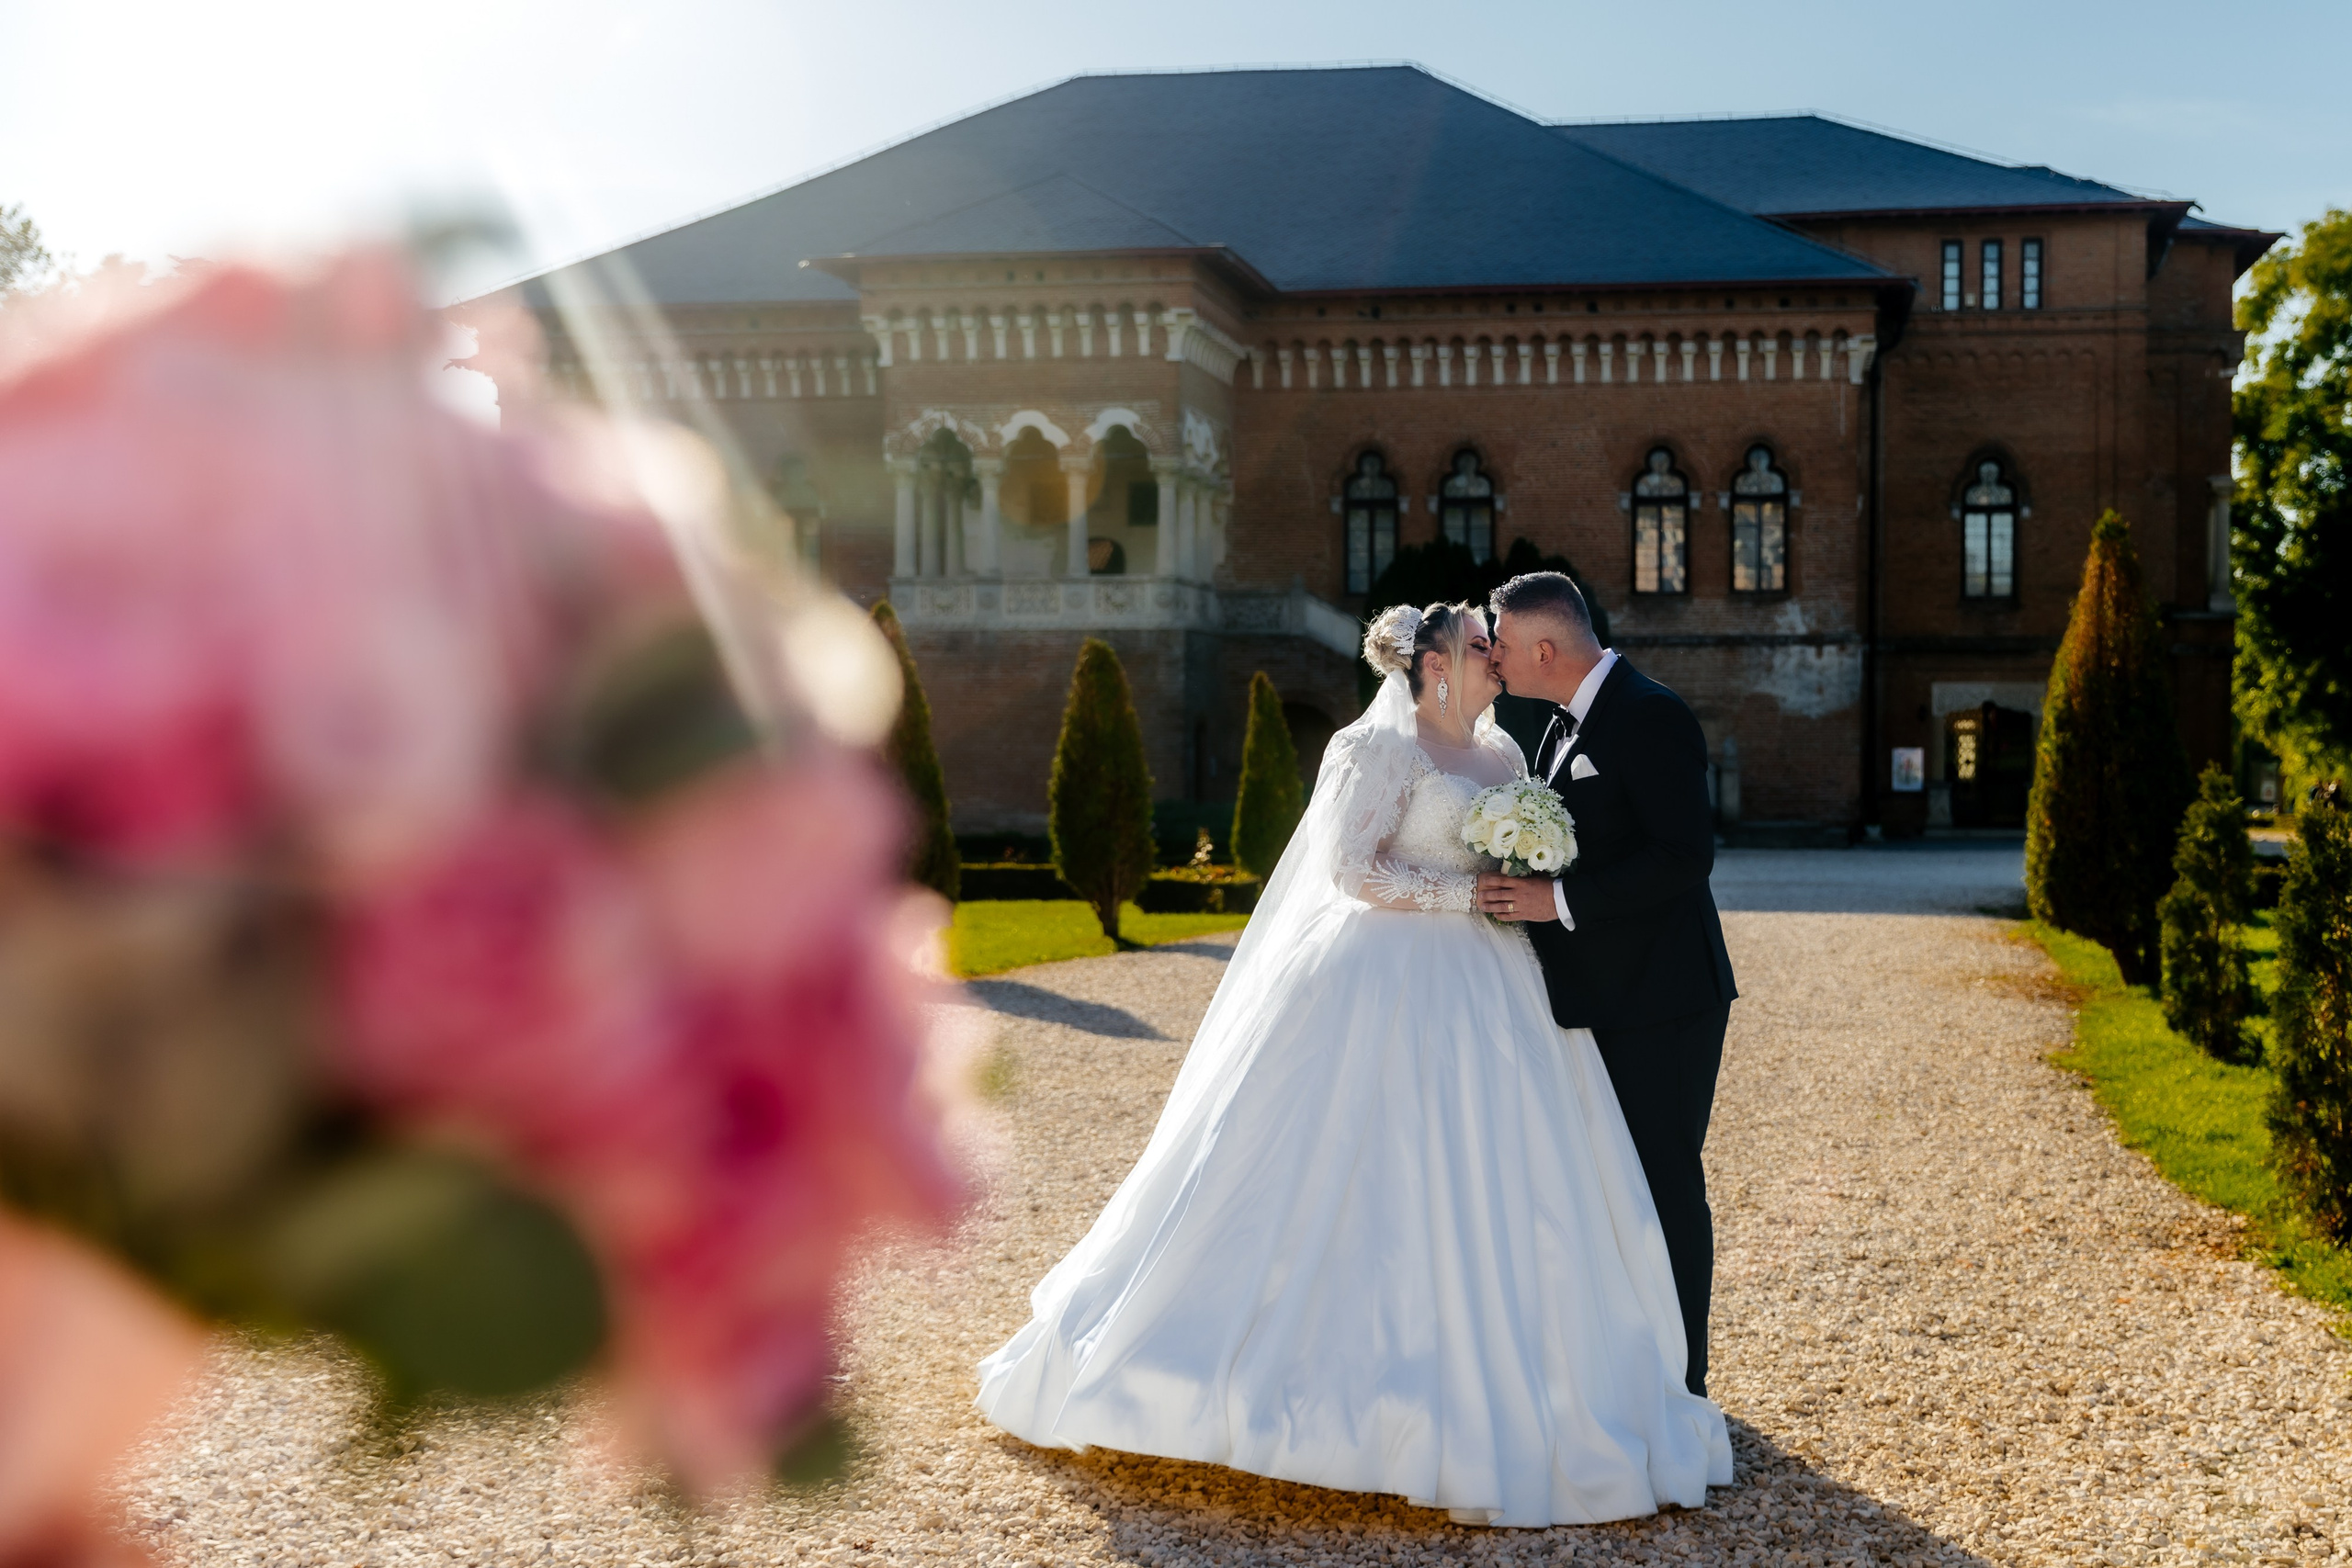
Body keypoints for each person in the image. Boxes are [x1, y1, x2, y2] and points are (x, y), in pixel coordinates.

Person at [976, 601, 1731, 1528]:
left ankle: (1563, 1373)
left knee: (1513, 1171)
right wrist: (1468, 894)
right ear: (1434, 666)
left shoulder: (1504, 752)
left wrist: (1521, 887)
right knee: (1340, 1167)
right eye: (1478, 645)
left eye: (1496, 643)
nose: (1493, 656)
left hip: (1499, 982)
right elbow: (1350, 870)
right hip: (1383, 974)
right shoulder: (1375, 748)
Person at [1477, 571, 1738, 1398]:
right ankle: (1631, 1366)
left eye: (1502, 642)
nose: (1493, 656)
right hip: (1601, 998)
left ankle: (1685, 1383)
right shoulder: (1557, 724)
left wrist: (1555, 900)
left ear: (1543, 648)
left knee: (1664, 1184)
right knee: (1610, 1187)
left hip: (1665, 1002)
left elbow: (1683, 856)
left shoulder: (1650, 713)